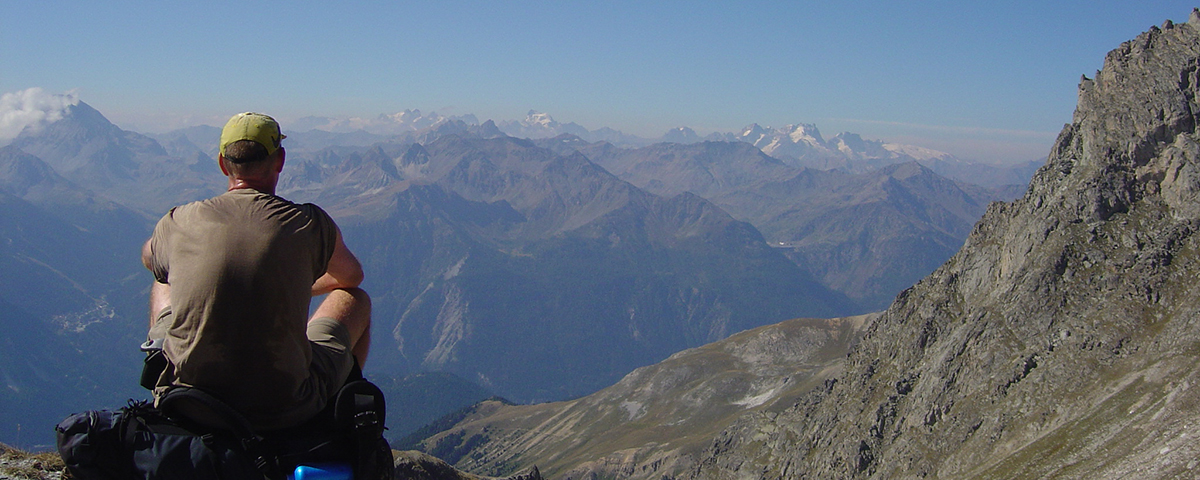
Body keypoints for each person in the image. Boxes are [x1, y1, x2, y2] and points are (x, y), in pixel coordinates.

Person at [140, 112, 371, 430]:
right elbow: (351, 277)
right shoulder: (308, 224)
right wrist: (296, 284)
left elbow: (149, 258)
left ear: (222, 164)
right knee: (355, 299)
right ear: (280, 161)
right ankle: (335, 414)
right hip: (284, 408)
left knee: (162, 282)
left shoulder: (180, 220)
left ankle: (159, 363)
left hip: (187, 403)